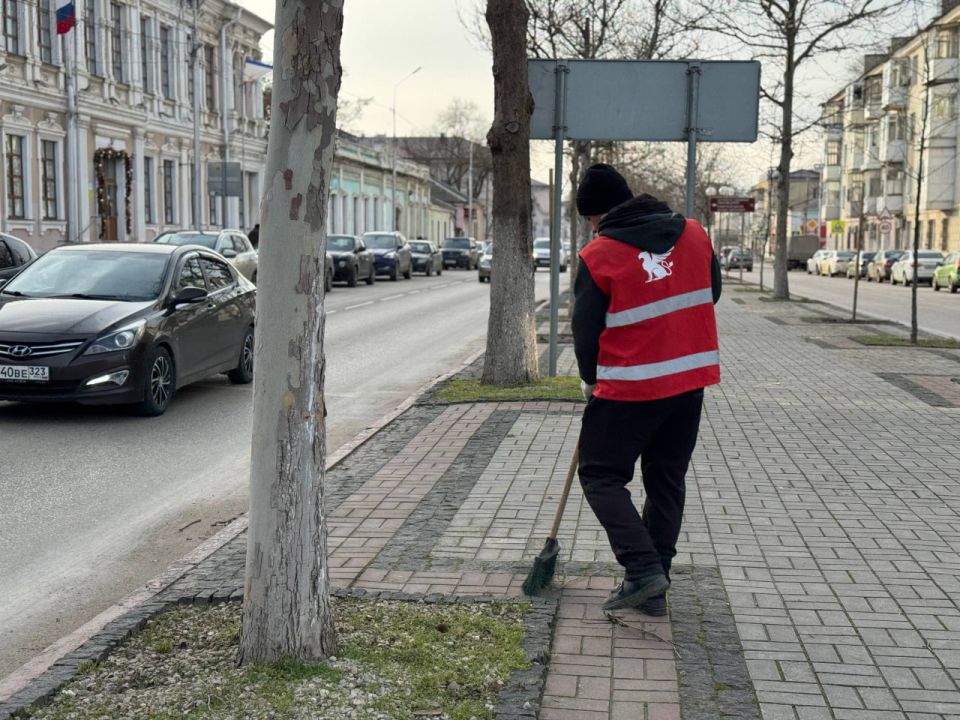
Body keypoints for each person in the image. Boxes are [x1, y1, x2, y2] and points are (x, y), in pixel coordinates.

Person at [572, 164, 722, 614]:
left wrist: (589, 378)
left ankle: (642, 570)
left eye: (591, 220)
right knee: (666, 478)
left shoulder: (598, 255)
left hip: (630, 388)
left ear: (597, 215)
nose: (592, 229)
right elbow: (710, 292)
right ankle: (657, 582)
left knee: (600, 475)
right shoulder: (695, 234)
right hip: (690, 383)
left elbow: (585, 330)